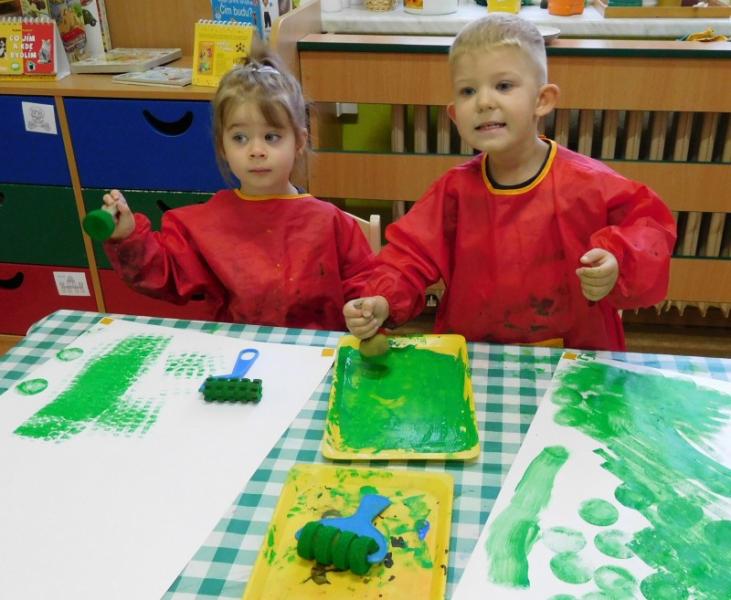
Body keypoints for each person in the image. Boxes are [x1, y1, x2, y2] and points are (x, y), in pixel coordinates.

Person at [344, 14, 676, 351]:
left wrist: (618, 262)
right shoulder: (453, 191)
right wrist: (382, 299)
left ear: (542, 100)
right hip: (476, 354)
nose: (484, 102)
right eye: (468, 90)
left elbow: (649, 230)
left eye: (503, 86)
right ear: (455, 114)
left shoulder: (590, 184)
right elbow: (408, 257)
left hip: (576, 355)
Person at [102, 44, 375, 330]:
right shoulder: (206, 224)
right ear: (222, 146)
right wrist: (128, 238)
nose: (256, 151)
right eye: (240, 138)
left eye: (271, 137)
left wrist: (364, 311)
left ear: (299, 141)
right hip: (235, 349)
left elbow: (366, 288)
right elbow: (163, 275)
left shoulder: (330, 222)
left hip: (314, 352)